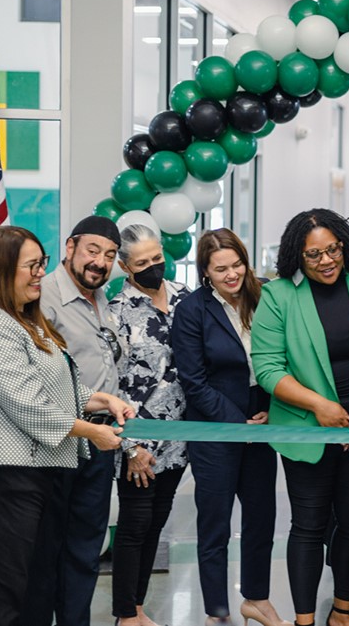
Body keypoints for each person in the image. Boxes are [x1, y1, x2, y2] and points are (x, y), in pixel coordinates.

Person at [0, 225, 132, 626]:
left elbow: (58, 387)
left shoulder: (29, 322)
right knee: (6, 588)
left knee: (37, 583)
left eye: (41, 264)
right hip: (5, 478)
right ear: (2, 270)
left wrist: (103, 400)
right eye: (31, 266)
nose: (39, 274)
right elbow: (30, 405)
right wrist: (94, 430)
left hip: (41, 472)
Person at [251, 208, 349, 626]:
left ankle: (344, 611)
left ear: (345, 246)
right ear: (297, 256)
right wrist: (320, 406)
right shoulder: (278, 295)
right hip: (306, 429)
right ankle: (304, 618)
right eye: (313, 255)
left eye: (331, 249)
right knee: (309, 525)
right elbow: (267, 368)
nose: (326, 261)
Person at [170, 228, 289, 626]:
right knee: (215, 524)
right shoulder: (192, 310)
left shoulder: (267, 295)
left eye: (237, 264)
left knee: (261, 518)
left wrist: (274, 409)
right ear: (206, 272)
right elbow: (194, 380)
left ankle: (256, 599)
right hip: (216, 427)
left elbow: (286, 357)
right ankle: (216, 611)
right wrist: (238, 424)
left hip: (263, 417)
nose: (232, 274)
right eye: (221, 269)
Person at [28, 215, 127, 626]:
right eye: (92, 250)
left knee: (86, 548)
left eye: (109, 256)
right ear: (69, 247)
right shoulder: (42, 297)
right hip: (57, 438)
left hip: (101, 439)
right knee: (44, 550)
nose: (100, 262)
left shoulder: (101, 298)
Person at [108, 223, 190, 626]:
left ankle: (137, 607)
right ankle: (127, 613)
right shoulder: (117, 312)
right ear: (125, 267)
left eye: (157, 258)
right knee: (135, 525)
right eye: (143, 263)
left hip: (180, 439)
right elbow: (110, 383)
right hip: (138, 441)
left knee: (157, 522)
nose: (155, 267)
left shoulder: (186, 299)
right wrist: (129, 447)